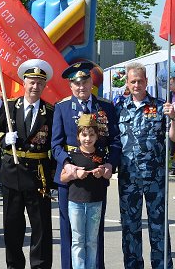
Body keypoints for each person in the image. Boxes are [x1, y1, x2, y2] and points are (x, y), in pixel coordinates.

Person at [51, 61, 121, 269]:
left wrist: (110, 164)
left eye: (85, 81)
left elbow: (115, 141)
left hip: (97, 176)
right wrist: (67, 164)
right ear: (70, 86)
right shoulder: (62, 108)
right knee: (69, 231)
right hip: (70, 177)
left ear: (92, 83)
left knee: (93, 232)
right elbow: (55, 144)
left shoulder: (106, 107)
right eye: (76, 83)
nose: (81, 87)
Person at [115, 62, 175, 269]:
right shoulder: (118, 109)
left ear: (147, 82)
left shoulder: (161, 106)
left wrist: (174, 118)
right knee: (130, 228)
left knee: (158, 227)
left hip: (155, 178)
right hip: (128, 179)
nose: (136, 85)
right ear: (127, 82)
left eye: (140, 81)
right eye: (133, 81)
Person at [0, 59, 54, 268]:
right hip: (12, 174)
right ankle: (14, 265)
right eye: (31, 82)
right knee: (12, 228)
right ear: (24, 83)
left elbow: (55, 144)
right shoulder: (10, 107)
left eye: (39, 83)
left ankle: (40, 266)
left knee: (41, 229)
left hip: (38, 176)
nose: (35, 86)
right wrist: (4, 140)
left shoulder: (50, 112)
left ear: (44, 85)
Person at [60, 114, 108, 269]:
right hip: (76, 203)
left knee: (92, 242)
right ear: (78, 136)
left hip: (95, 202)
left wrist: (102, 172)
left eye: (91, 135)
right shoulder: (72, 156)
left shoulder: (101, 154)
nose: (88, 139)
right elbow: (62, 177)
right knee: (78, 241)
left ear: (97, 136)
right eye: (84, 135)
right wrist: (74, 174)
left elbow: (108, 173)